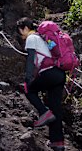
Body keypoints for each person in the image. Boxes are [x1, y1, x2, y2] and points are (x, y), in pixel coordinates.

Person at [16, 18, 66, 151]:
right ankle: (58, 143)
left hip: (49, 74)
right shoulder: (44, 38)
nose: (21, 35)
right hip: (59, 74)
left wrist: (28, 79)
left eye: (21, 32)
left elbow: (31, 60)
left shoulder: (31, 38)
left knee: (29, 90)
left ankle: (44, 112)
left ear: (25, 28)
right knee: (56, 108)